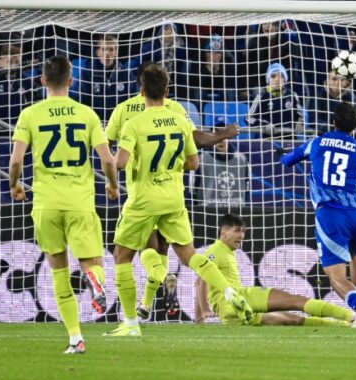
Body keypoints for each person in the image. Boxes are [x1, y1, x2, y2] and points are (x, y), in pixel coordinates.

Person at [107, 64, 251, 337]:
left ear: (141, 90)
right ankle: (230, 291)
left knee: (122, 256)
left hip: (142, 199)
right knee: (189, 255)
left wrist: (114, 179)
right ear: (168, 91)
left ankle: (130, 323)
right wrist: (169, 166)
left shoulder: (132, 121)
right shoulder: (180, 119)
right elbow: (194, 163)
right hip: (173, 198)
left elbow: (120, 161)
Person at [9, 55, 119, 354]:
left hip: (46, 203)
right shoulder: (87, 114)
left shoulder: (30, 114)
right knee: (92, 263)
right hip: (80, 201)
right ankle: (95, 280)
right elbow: (108, 159)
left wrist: (15, 185)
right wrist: (111, 184)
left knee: (58, 269)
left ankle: (75, 338)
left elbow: (17, 160)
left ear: (43, 81)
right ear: (72, 81)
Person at [281, 102, 356, 327]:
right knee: (355, 252)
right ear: (355, 127)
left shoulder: (317, 143)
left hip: (331, 215)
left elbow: (288, 161)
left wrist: (283, 155)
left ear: (333, 121)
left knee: (337, 278)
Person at [195, 214, 354, 326]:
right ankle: (352, 316)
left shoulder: (226, 251)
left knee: (292, 320)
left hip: (230, 314)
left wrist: (200, 316)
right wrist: (204, 309)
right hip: (239, 298)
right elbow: (202, 279)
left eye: (243, 231)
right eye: (237, 230)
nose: (242, 236)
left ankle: (343, 325)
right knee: (297, 301)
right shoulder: (215, 251)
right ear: (223, 233)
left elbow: (198, 281)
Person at [71, 34, 137, 121]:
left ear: (116, 52)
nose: (107, 53)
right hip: (95, 125)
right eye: (104, 49)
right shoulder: (86, 73)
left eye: (111, 49)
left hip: (119, 124)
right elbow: (80, 102)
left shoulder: (127, 74)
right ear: (97, 52)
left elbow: (133, 101)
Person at [195, 116, 250, 207]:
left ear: (230, 135)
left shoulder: (242, 159)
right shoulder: (201, 160)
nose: (221, 138)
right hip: (207, 215)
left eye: (224, 132)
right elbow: (193, 190)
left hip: (236, 214)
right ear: (209, 134)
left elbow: (247, 190)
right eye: (217, 132)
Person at [247, 62, 305, 138]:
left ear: (285, 79)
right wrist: (264, 125)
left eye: (281, 76)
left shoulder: (292, 95)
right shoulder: (261, 95)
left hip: (290, 139)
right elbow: (248, 118)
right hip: (268, 141)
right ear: (268, 79)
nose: (277, 79)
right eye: (273, 76)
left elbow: (300, 116)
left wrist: (300, 123)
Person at [313, 70, 356, 136]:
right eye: (334, 79)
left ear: (347, 82)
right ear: (328, 81)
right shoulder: (319, 95)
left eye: (342, 80)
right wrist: (331, 129)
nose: (337, 83)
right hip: (321, 134)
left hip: (345, 135)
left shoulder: (352, 97)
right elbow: (313, 118)